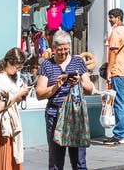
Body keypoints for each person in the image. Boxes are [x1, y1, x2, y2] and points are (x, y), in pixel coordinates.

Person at [36, 30, 93, 170]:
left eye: (66, 49)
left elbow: (90, 88)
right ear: (53, 48)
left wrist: (78, 81)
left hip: (75, 114)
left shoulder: (78, 62)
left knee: (79, 160)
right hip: (55, 114)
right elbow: (39, 93)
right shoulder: (46, 65)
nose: (63, 53)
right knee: (56, 160)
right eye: (59, 50)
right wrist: (56, 86)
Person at [0, 46, 30, 170]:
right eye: (17, 68)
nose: (17, 71)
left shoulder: (10, 77)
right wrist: (18, 96)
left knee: (12, 162)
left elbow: (11, 100)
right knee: (4, 163)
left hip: (11, 124)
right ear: (9, 63)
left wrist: (22, 95)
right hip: (3, 126)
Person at [104, 8, 124, 146]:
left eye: (111, 17)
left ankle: (119, 134)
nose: (110, 20)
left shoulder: (116, 32)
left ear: (118, 18)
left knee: (119, 103)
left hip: (119, 71)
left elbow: (114, 53)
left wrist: (109, 71)